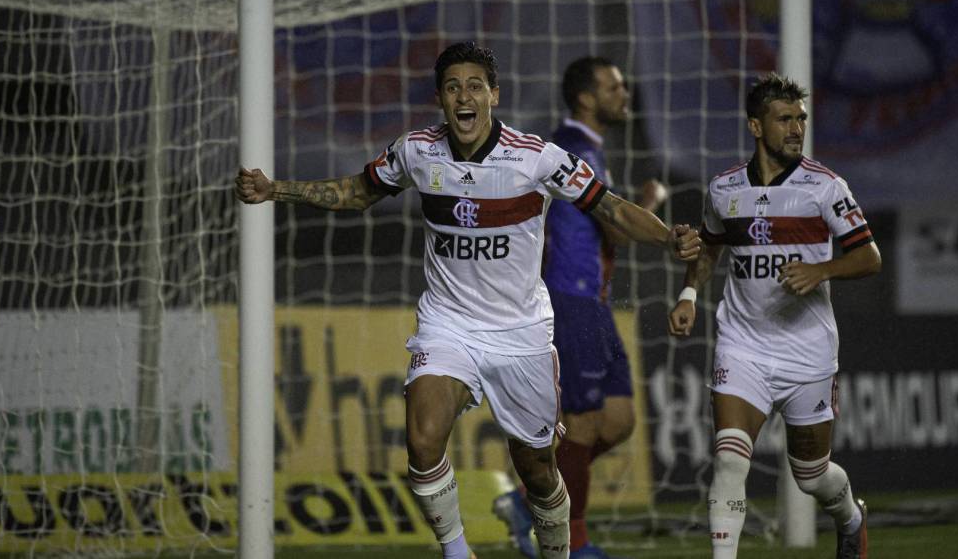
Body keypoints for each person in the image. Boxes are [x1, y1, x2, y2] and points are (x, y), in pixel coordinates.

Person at [235, 42, 702, 559]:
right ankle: (458, 553)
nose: (465, 96)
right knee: (423, 437)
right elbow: (358, 190)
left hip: (521, 332)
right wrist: (276, 189)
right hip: (447, 324)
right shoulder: (416, 150)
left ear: (493, 96)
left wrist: (666, 238)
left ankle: (556, 550)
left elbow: (611, 208)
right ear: (440, 98)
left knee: (540, 471)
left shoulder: (537, 158)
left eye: (475, 86)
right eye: (453, 86)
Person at [667, 73, 880, 559]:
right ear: (756, 126)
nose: (796, 128)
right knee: (729, 461)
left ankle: (851, 516)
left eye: (800, 119)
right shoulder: (724, 190)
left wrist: (820, 269)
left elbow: (870, 258)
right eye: (784, 119)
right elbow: (710, 250)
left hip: (807, 348)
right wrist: (687, 295)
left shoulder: (825, 187)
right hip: (743, 345)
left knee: (810, 475)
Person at [543, 56, 665, 559]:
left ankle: (538, 496)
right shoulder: (573, 149)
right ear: (587, 98)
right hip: (569, 298)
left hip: (595, 301)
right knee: (586, 422)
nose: (624, 93)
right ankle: (571, 541)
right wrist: (649, 204)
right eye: (614, 87)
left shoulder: (587, 147)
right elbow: (616, 228)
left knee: (618, 421)